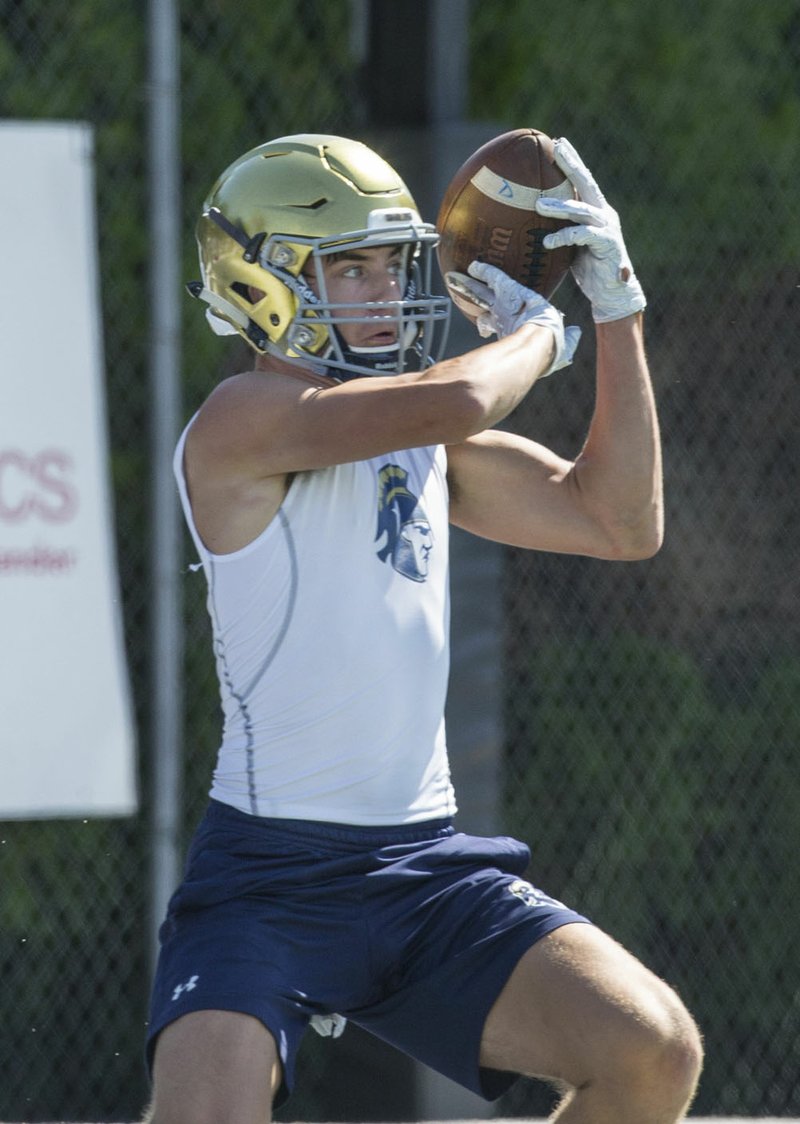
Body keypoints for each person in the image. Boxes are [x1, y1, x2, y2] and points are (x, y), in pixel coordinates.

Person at [144, 133, 702, 1124]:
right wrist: (538, 333)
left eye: (387, 260)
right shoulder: (244, 416)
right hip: (265, 879)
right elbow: (458, 393)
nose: (380, 288)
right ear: (258, 281)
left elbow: (620, 521)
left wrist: (618, 314)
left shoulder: (420, 435)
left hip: (420, 872)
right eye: (346, 264)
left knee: (651, 1051)